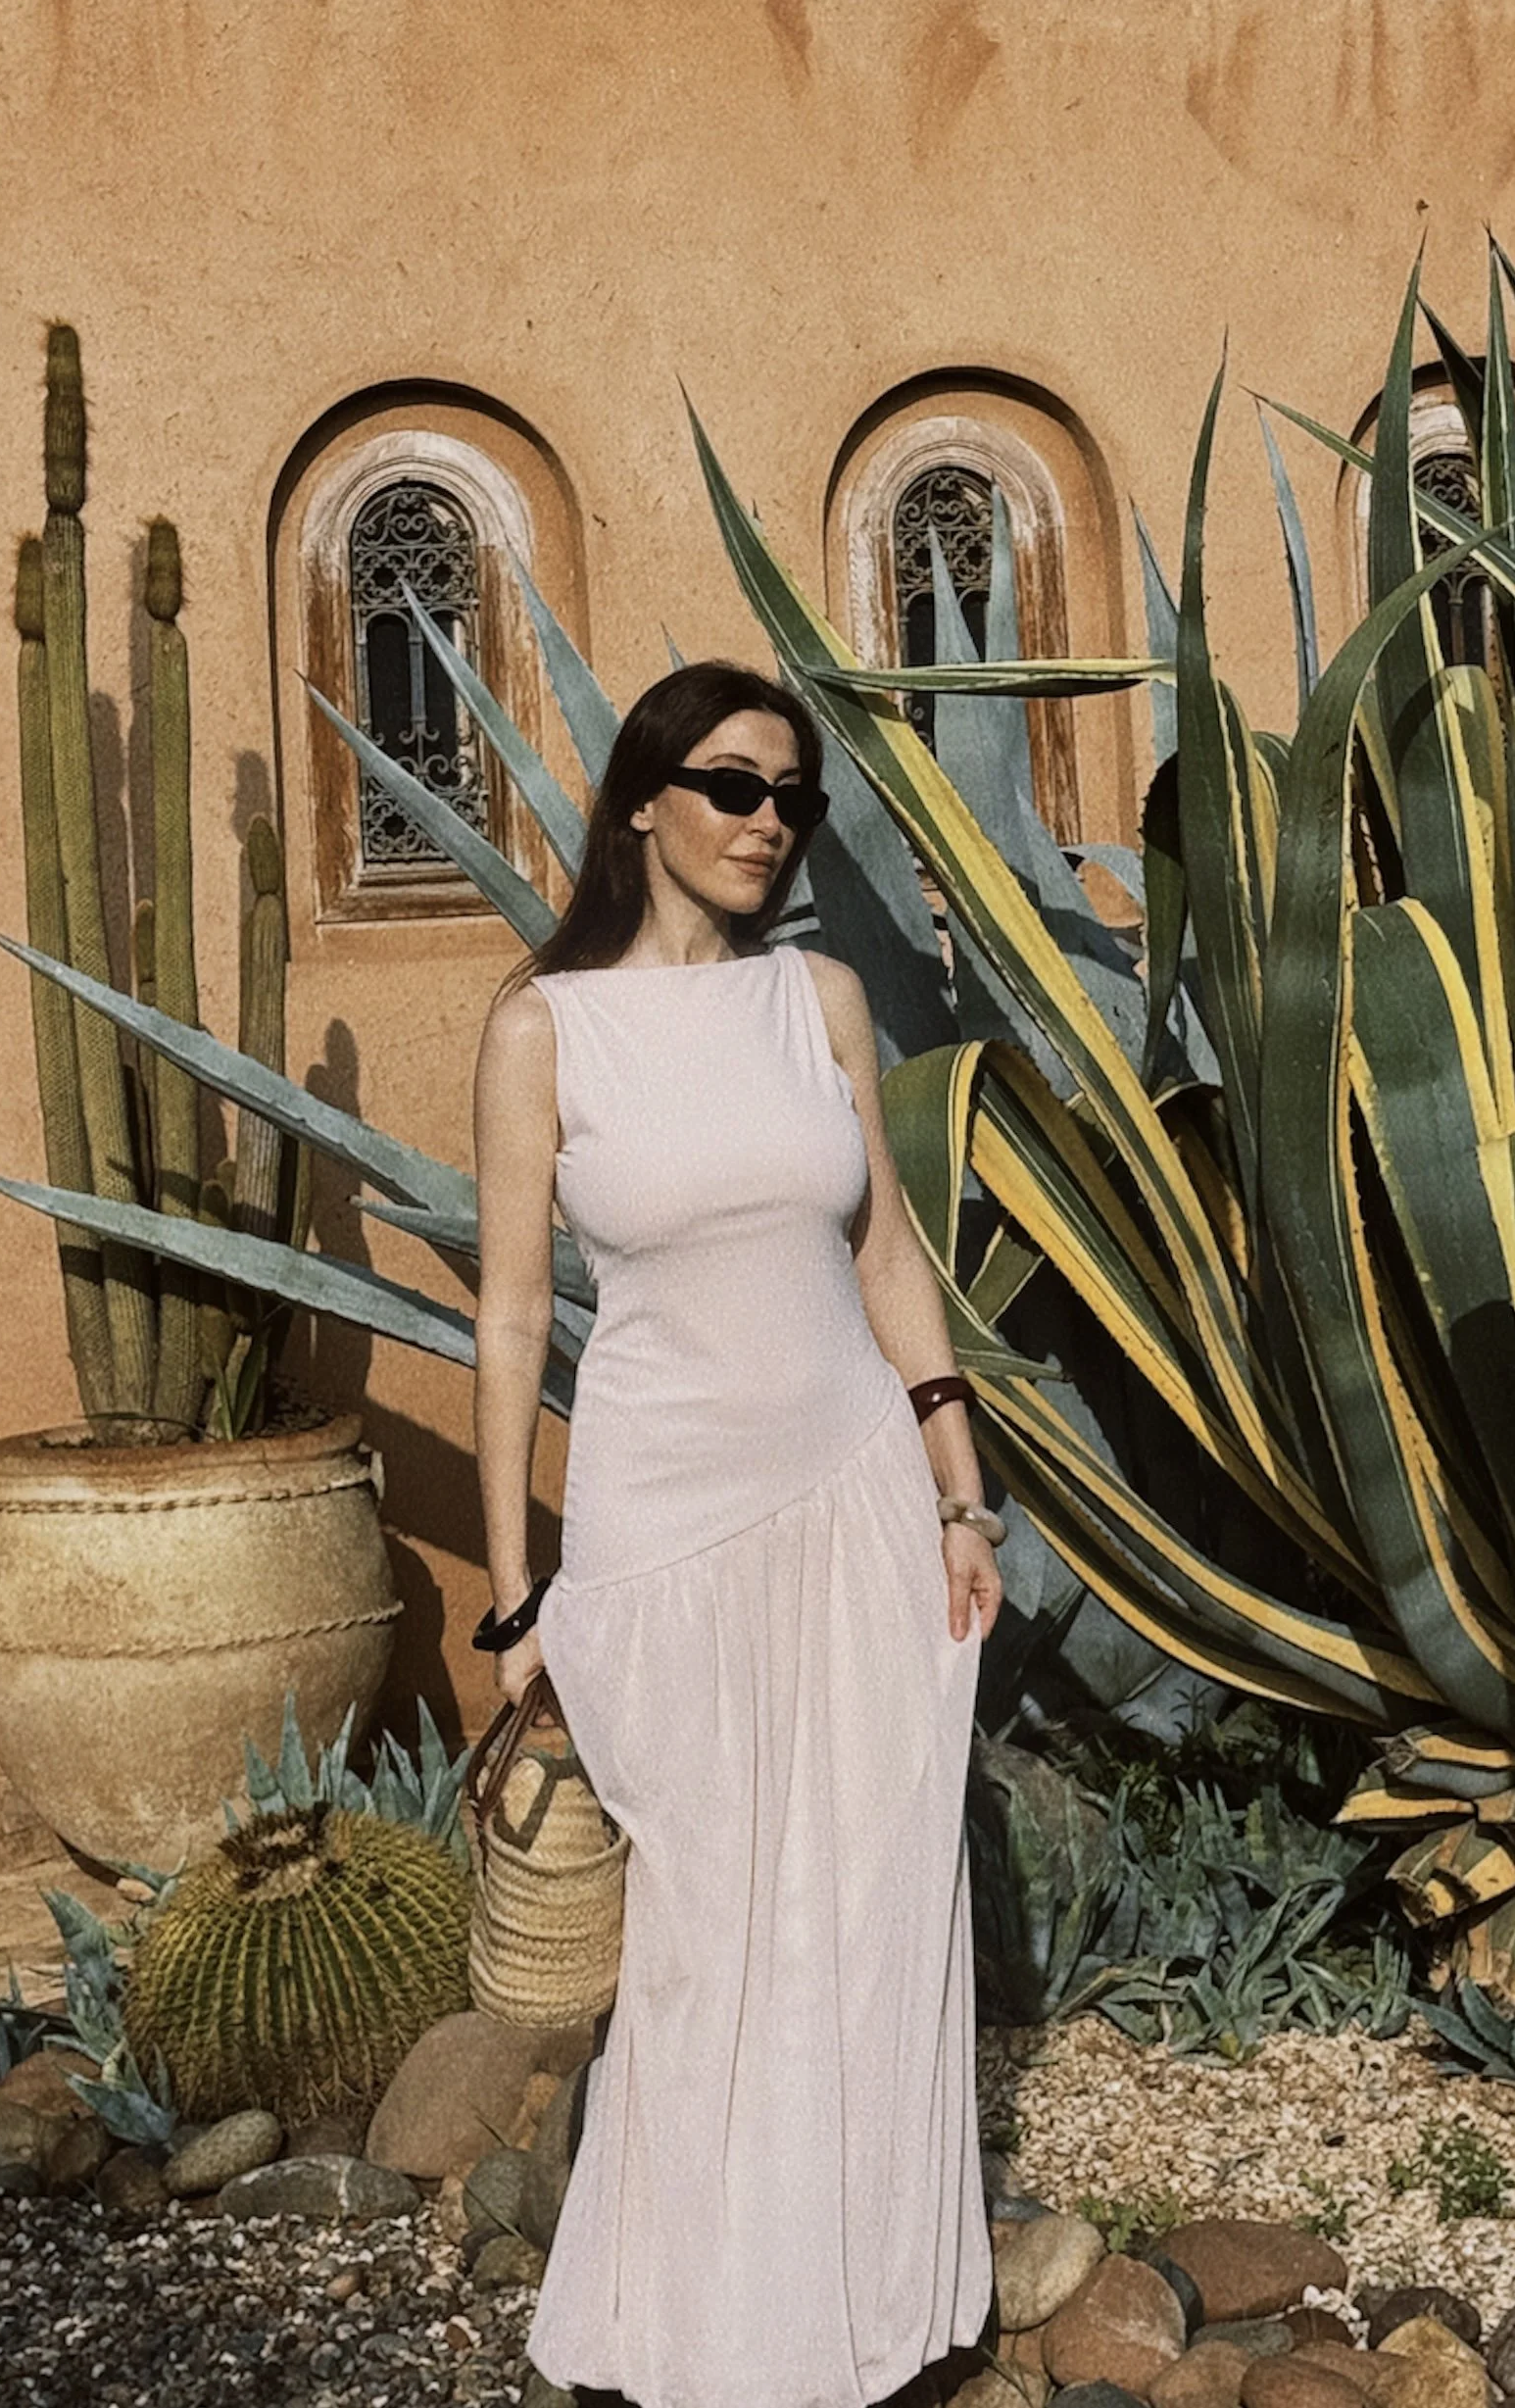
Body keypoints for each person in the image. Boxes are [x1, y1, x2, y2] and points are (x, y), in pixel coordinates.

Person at [471, 659, 1004, 2408]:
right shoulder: (544, 1027)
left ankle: (865, 2324)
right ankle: (684, 2337)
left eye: (793, 800)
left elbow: (885, 1260)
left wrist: (957, 1488)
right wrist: (508, 1599)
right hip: (658, 1531)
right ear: (640, 799)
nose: (766, 824)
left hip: (858, 1499)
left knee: (866, 1920)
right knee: (706, 1935)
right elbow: (505, 1317)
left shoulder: (823, 1004)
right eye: (730, 786)